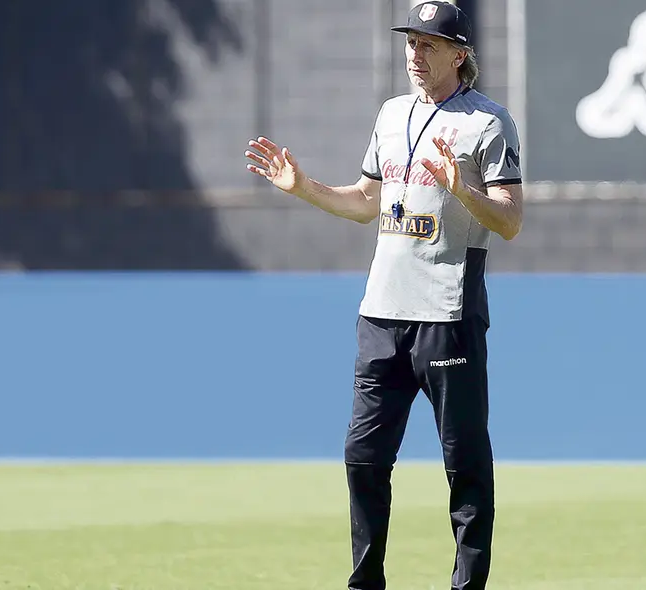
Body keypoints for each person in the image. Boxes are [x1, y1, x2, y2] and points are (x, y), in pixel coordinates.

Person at [244, 2, 523, 589]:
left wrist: (460, 188)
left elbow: (509, 220)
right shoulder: (391, 113)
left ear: (458, 54)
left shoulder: (488, 122)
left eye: (428, 44)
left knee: (465, 468)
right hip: (381, 315)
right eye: (410, 43)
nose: (415, 55)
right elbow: (367, 202)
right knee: (362, 460)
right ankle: (365, 583)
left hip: (448, 314)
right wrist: (304, 188)